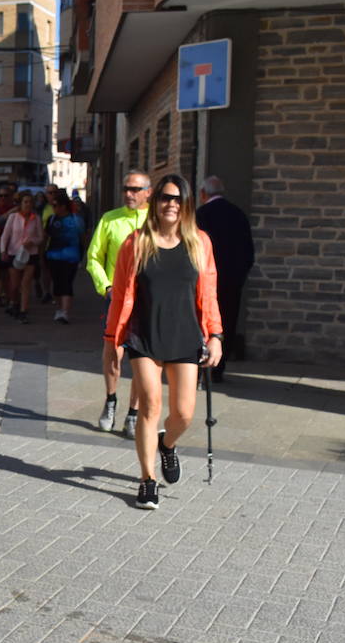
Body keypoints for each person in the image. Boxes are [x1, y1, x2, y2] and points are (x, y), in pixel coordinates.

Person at [104, 175, 222, 510]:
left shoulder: (200, 242)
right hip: (144, 335)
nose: (171, 204)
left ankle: (166, 445)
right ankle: (147, 479)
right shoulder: (136, 243)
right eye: (165, 198)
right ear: (154, 203)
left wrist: (215, 334)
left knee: (183, 414)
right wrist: (114, 338)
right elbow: (121, 296)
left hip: (185, 335)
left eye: (178, 199)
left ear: (186, 205)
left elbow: (210, 293)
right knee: (150, 405)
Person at [86, 170, 151, 438]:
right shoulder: (109, 219)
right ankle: (111, 400)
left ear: (148, 192)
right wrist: (107, 287)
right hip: (117, 299)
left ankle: (133, 413)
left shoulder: (156, 221)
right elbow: (93, 258)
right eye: (126, 188)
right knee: (113, 354)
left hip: (147, 302)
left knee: (142, 360)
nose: (129, 194)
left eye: (136, 189)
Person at [195, 174, 253, 381]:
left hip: (204, 282)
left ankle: (200, 366)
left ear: (203, 194)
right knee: (227, 321)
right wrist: (238, 278)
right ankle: (219, 367)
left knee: (203, 321)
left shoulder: (201, 214)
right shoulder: (238, 214)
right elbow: (248, 252)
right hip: (232, 282)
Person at [0, 191, 44, 324]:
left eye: (30, 202)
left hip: (31, 254)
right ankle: (14, 303)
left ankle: (23, 311)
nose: (28, 204)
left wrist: (33, 242)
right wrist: (3, 251)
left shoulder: (36, 218)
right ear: (20, 204)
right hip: (14, 253)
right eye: (25, 202)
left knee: (26, 283)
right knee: (14, 284)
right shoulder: (13, 217)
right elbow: (5, 236)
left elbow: (41, 237)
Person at [45, 193, 86, 323]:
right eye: (53, 205)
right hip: (53, 256)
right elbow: (46, 237)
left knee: (67, 283)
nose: (54, 208)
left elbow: (83, 237)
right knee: (57, 285)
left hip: (71, 257)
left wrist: (82, 255)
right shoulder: (51, 219)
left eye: (56, 205)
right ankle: (59, 309)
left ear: (63, 206)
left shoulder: (76, 220)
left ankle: (65, 312)